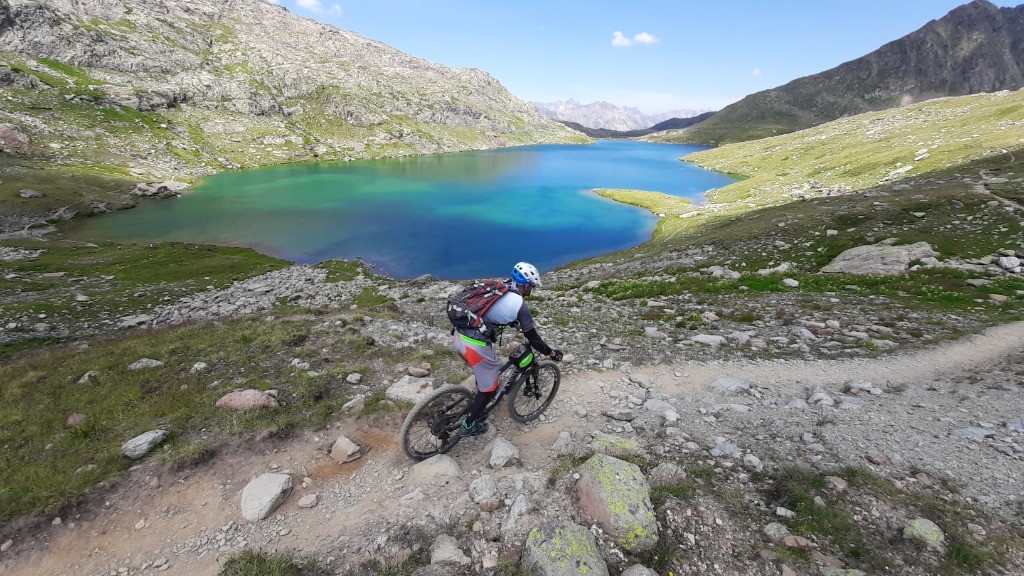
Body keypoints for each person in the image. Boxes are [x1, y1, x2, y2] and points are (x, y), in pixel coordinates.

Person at [451, 261, 562, 437]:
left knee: (486, 374)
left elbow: (493, 312)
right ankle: (469, 425)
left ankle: (479, 393)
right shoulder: (520, 306)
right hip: (474, 345)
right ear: (525, 286)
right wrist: (552, 353)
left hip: (458, 336)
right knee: (491, 386)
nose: (532, 291)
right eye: (532, 287)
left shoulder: (500, 287)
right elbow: (534, 341)